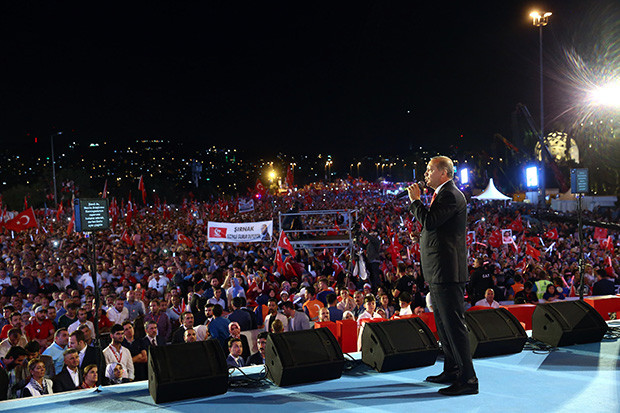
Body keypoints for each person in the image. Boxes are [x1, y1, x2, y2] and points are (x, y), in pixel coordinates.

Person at [407, 155, 477, 396]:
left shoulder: (449, 195)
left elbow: (430, 220)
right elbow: (437, 228)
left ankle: (468, 379)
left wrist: (416, 202)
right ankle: (452, 369)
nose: (425, 174)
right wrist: (424, 238)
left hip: (447, 272)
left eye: (429, 169)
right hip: (439, 271)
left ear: (443, 173)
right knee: (444, 325)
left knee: (454, 326)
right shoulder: (443, 194)